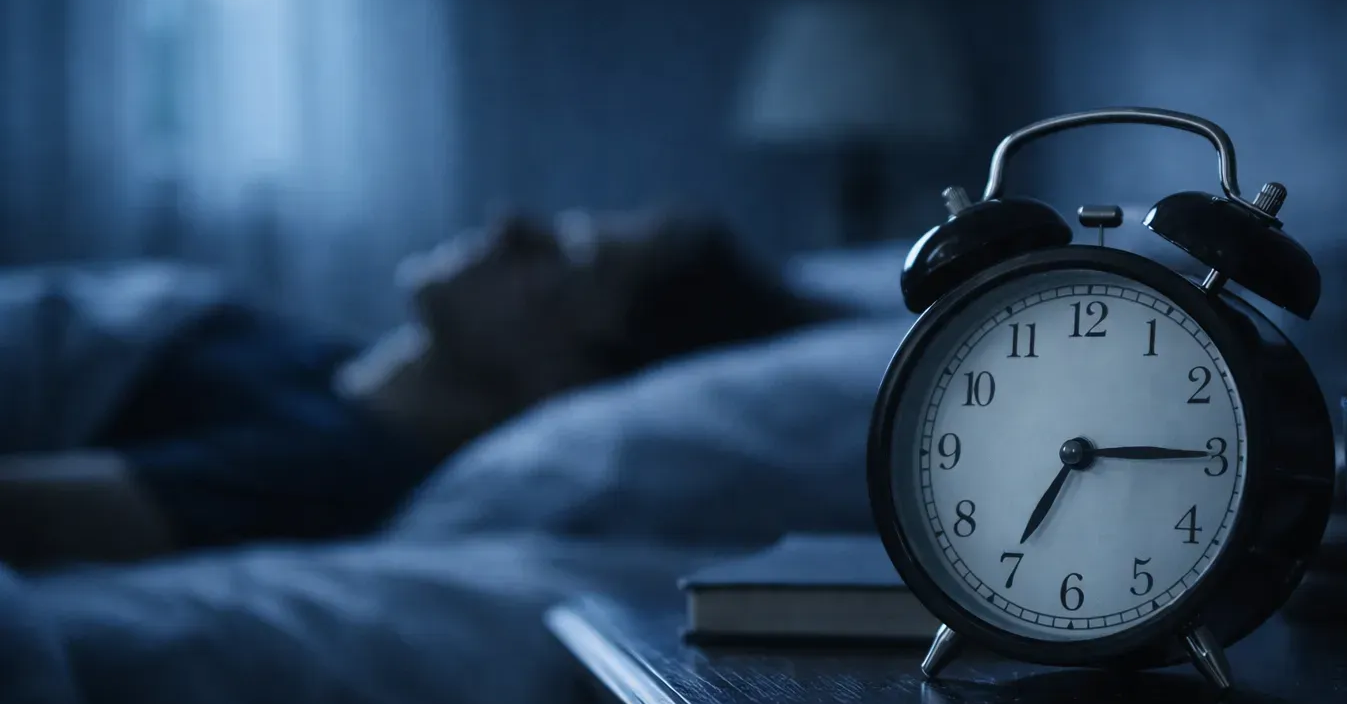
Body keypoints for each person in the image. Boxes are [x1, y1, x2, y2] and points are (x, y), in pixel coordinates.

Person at [0, 210, 836, 568]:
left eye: (567, 257)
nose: (512, 223)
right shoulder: (322, 357)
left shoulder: (332, 465)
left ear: (571, 375)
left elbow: (31, 514)